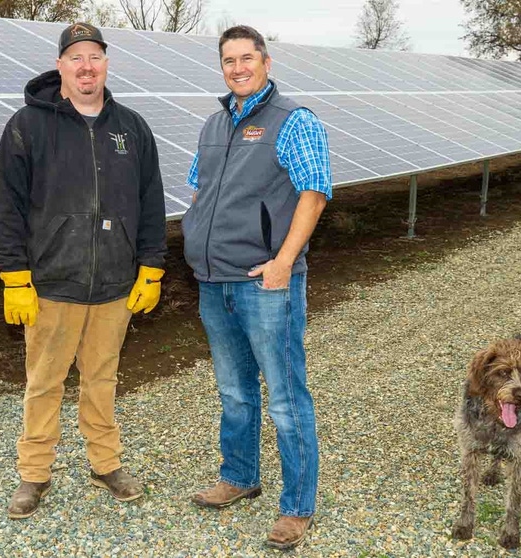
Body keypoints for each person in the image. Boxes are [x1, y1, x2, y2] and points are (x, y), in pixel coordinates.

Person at [0, 22, 166, 520]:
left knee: (102, 379)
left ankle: (105, 463)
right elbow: (5, 206)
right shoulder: (28, 124)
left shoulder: (131, 127)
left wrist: (151, 265)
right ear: (61, 66)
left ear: (106, 64)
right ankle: (34, 475)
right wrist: (14, 277)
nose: (86, 67)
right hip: (51, 284)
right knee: (44, 382)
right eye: (76, 58)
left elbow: (151, 201)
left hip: (114, 284)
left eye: (95, 57)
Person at [181, 25, 332, 551]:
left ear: (266, 62)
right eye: (228, 60)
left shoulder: (294, 121)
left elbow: (314, 194)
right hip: (213, 279)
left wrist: (283, 262)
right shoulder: (214, 123)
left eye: (247, 58)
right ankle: (240, 477)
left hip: (266, 282)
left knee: (286, 398)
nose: (238, 68)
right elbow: (199, 187)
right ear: (221, 67)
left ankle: (297, 506)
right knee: (233, 390)